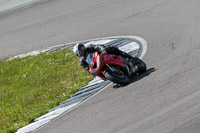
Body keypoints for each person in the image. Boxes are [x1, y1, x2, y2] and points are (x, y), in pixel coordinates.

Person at [73, 43, 138, 76]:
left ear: (82, 48)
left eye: (79, 52)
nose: (80, 54)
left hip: (103, 56)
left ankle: (130, 57)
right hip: (97, 64)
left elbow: (98, 46)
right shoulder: (82, 61)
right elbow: (87, 69)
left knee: (111, 48)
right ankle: (115, 74)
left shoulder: (89, 47)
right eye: (78, 54)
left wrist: (103, 49)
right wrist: (91, 72)